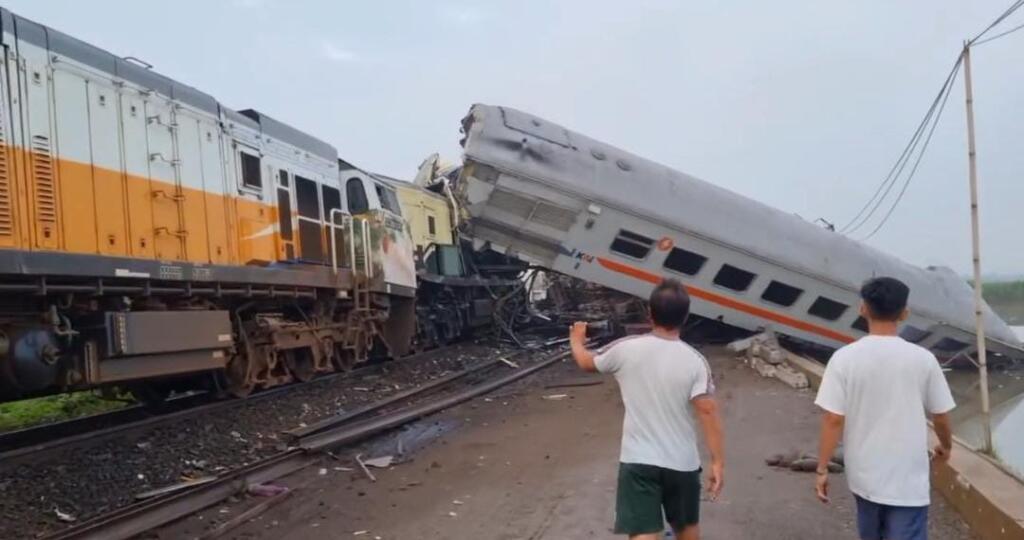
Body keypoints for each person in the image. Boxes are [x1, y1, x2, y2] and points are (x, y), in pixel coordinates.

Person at [569, 278, 724, 540]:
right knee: (686, 529)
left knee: (643, 532)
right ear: (685, 317)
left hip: (639, 460)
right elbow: (707, 411)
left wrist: (576, 340)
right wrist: (718, 462)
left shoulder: (626, 349)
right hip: (682, 463)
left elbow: (586, 362)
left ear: (649, 313)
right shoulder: (696, 361)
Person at [814, 276, 956, 540]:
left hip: (864, 478)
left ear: (862, 309)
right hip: (907, 481)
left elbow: (833, 418)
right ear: (904, 313)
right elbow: (941, 415)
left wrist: (822, 469)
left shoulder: (844, 359)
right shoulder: (923, 360)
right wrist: (946, 446)